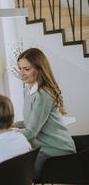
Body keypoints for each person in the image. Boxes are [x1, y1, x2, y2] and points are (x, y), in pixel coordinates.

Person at [17, 48, 76, 180]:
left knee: (16, 172)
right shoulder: (29, 89)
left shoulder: (43, 94)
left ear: (39, 69)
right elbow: (29, 122)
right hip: (42, 148)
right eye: (20, 68)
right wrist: (8, 125)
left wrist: (2, 134)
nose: (21, 74)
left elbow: (30, 132)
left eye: (26, 69)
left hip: (55, 151)